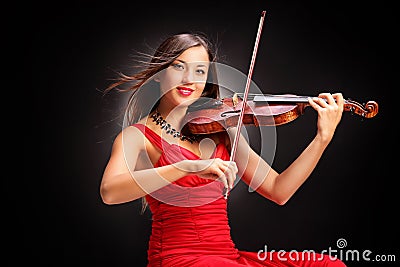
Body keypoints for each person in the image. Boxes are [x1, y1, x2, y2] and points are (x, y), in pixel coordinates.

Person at [99, 32, 347, 267]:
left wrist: (322, 138)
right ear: (158, 74)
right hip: (178, 258)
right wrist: (185, 166)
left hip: (225, 256)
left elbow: (279, 190)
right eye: (178, 66)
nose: (189, 80)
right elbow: (109, 192)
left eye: (199, 71)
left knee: (328, 263)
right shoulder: (137, 136)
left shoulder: (221, 130)